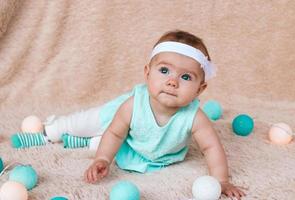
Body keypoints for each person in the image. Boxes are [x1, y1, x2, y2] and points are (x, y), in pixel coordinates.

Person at [12, 30, 245, 199]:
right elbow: (114, 133)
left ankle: (78, 143)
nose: (172, 81)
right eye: (164, 70)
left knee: (98, 142)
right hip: (114, 117)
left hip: (133, 146)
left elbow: (211, 148)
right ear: (147, 73)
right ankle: (47, 132)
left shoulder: (195, 117)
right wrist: (102, 159)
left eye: (186, 77)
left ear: (200, 89)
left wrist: (222, 180)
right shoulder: (133, 105)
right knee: (79, 124)